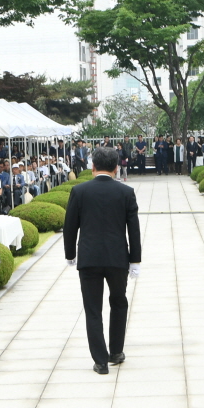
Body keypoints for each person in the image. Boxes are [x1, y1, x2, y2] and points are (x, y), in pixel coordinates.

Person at [63, 146, 142, 374]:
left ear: (93, 167)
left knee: (93, 308)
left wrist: (70, 255)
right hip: (118, 258)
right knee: (118, 302)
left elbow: (70, 227)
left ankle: (100, 361)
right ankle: (116, 352)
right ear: (116, 168)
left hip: (89, 258)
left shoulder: (79, 191)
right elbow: (133, 230)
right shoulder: (126, 192)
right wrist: (135, 260)